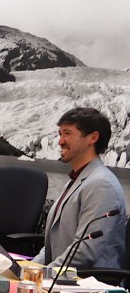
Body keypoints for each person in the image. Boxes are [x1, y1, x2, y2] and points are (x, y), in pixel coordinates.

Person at [33, 107, 127, 270]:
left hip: (89, 281)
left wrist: (42, 274)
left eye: (67, 133)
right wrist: (30, 269)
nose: (60, 141)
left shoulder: (101, 184)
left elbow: (84, 253)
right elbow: (54, 244)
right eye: (60, 134)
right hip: (63, 276)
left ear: (93, 138)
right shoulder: (77, 181)